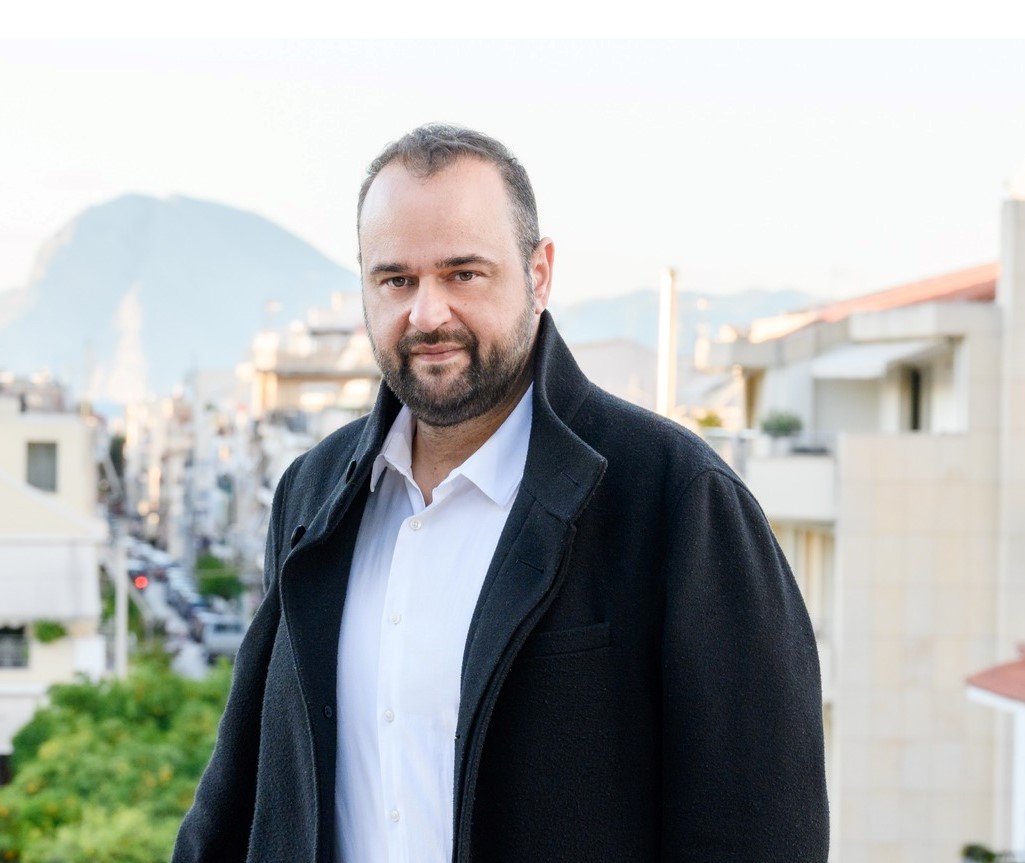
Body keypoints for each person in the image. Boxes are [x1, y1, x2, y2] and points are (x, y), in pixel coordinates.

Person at [172, 124, 828, 862]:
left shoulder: (678, 501)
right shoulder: (313, 493)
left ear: (538, 275)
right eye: (396, 280)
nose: (427, 314)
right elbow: (240, 787)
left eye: (463, 274)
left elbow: (757, 832)